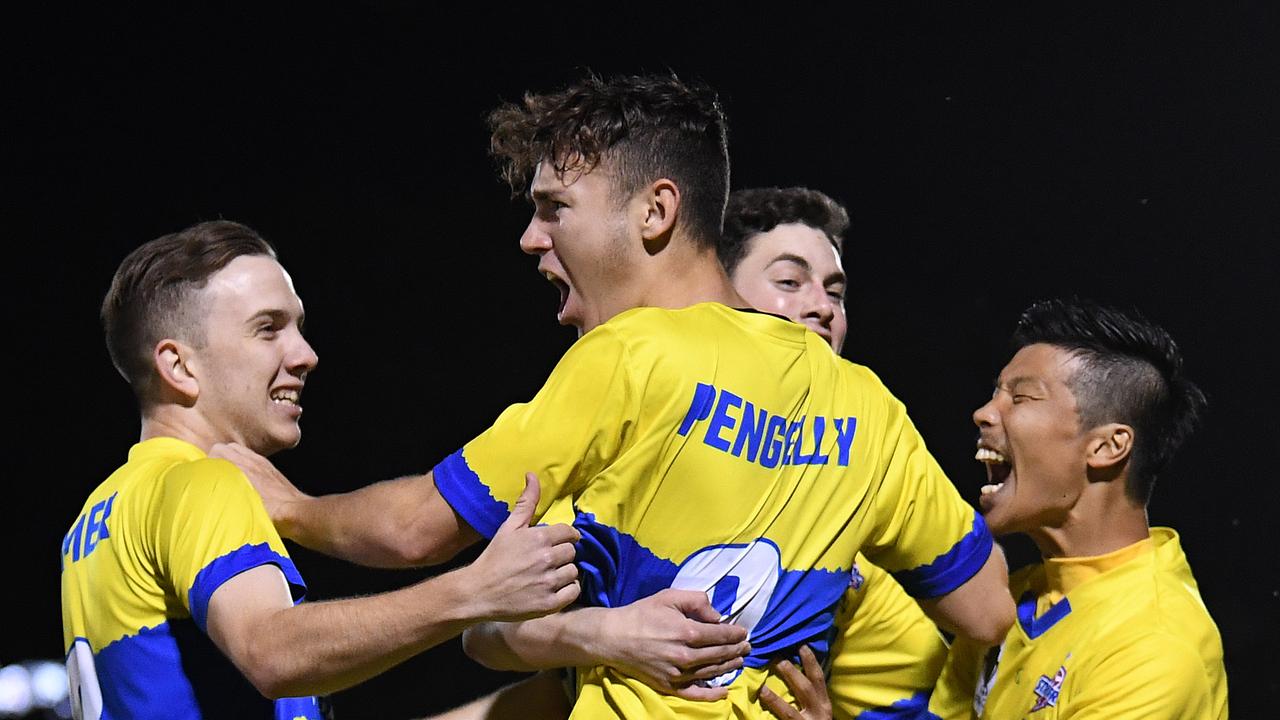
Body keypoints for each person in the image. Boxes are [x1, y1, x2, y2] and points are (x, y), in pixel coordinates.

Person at [224, 73, 1014, 718]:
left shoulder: (631, 357)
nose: (533, 238)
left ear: (656, 211)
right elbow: (984, 612)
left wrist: (288, 506)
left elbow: (414, 532)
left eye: (554, 209)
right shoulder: (869, 409)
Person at [450, 186, 947, 720]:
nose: (821, 307)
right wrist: (593, 633)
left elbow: (970, 654)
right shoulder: (619, 461)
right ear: (721, 291)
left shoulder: (859, 534)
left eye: (836, 292)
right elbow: (495, 638)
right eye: (788, 281)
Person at [60, 221, 582, 720]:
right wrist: (475, 591)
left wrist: (552, 700)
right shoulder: (200, 483)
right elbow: (270, 652)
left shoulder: (91, 525)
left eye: (300, 328)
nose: (305, 355)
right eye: (268, 330)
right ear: (179, 366)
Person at [926, 298, 1228, 719]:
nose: (983, 413)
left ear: (1107, 446)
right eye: (995, 394)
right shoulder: (1009, 599)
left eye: (1021, 397)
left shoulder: (1154, 647)